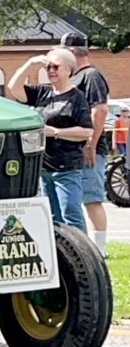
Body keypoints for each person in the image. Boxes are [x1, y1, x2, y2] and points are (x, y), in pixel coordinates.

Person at [7, 48, 93, 232]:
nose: (51, 71)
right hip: (44, 167)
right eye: (48, 67)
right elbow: (14, 88)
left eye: (56, 67)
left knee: (71, 212)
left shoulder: (76, 98)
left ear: (69, 70)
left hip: (67, 167)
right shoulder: (42, 93)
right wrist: (31, 63)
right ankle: (59, 255)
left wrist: (55, 131)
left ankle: (83, 255)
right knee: (53, 217)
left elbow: (86, 130)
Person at [60, 32, 109, 256]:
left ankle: (100, 249)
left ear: (72, 52)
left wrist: (91, 144)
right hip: (76, 150)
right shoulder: (77, 77)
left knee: (92, 199)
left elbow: (99, 111)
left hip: (90, 149)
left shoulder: (91, 76)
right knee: (78, 200)